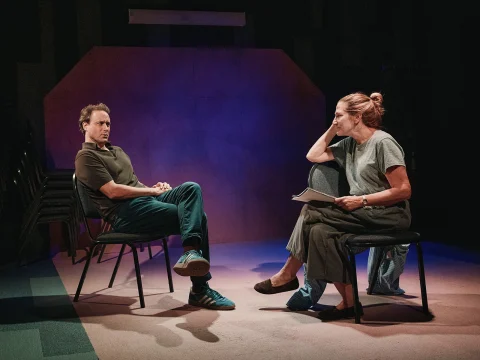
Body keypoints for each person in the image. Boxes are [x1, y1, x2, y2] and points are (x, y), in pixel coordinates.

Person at [254, 92, 412, 321]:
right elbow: (313, 155)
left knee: (311, 210)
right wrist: (332, 129)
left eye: (338, 116)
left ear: (357, 117)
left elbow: (404, 190)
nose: (335, 120)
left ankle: (288, 274)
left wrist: (362, 200)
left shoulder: (383, 142)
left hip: (389, 214)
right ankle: (349, 303)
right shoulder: (349, 144)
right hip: (362, 213)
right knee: (320, 232)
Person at [75, 103, 235, 310]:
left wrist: (152, 188)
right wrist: (151, 192)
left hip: (145, 204)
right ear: (85, 125)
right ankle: (199, 289)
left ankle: (191, 257)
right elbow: (113, 191)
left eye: (108, 123)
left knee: (191, 188)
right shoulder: (86, 157)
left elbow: (132, 183)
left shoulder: (118, 151)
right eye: (100, 123)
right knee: (199, 218)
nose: (106, 128)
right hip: (125, 214)